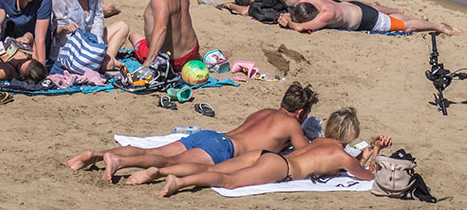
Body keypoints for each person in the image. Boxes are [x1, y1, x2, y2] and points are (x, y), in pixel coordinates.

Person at [67, 82, 318, 183]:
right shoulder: (292, 124)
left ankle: (97, 154)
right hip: (222, 149)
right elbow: (305, 155)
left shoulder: (263, 112)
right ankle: (119, 161)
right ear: (300, 112)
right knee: (168, 162)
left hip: (211, 136)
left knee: (152, 151)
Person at [157, 113, 390, 197]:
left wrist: (371, 147)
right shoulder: (344, 157)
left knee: (214, 169)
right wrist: (376, 152)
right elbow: (365, 175)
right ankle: (180, 182)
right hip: (281, 169)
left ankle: (158, 171)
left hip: (265, 155)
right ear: (350, 135)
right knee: (229, 182)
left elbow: (354, 162)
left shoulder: (319, 141)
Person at [52, 0, 132, 73]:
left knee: (122, 27)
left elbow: (98, 16)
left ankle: (105, 57)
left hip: (91, 37)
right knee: (108, 64)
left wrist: (97, 43)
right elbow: (58, 32)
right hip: (72, 46)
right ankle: (105, 62)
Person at [128, 0, 200, 72]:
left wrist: (147, 64)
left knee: (134, 36)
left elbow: (161, 28)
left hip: (171, 61)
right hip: (191, 53)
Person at [278, 0, 454, 36]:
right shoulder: (306, 0)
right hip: (352, 6)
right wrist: (290, 15)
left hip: (367, 19)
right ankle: (402, 12)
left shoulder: (326, 15)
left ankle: (438, 26)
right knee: (391, 16)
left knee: (405, 27)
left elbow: (300, 28)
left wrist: (289, 22)